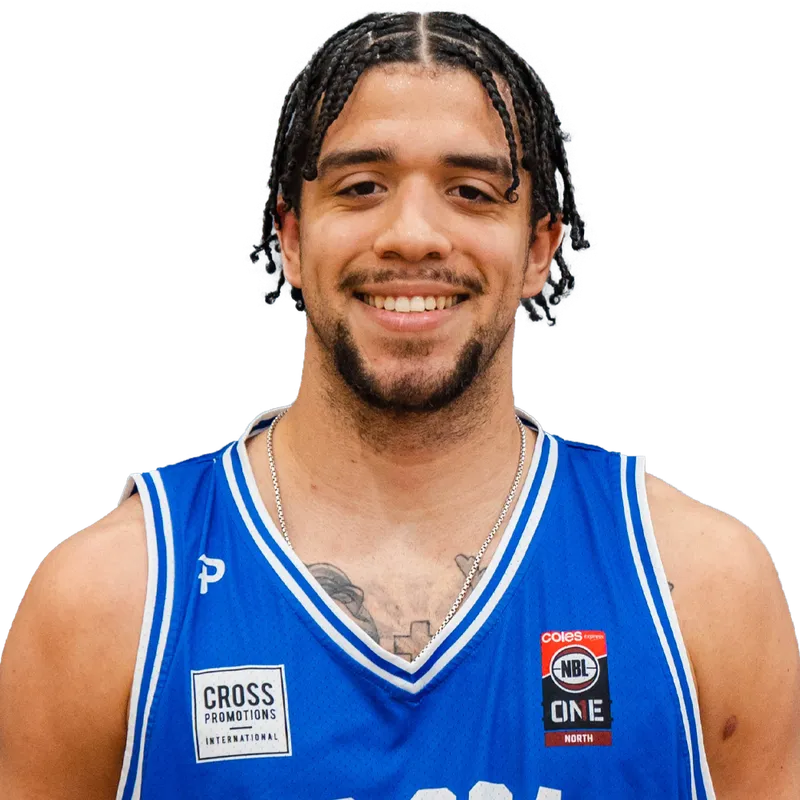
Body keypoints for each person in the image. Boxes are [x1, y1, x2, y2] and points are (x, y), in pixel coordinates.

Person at [1, 7, 797, 800]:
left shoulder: (701, 587)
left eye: (471, 191)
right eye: (362, 187)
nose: (413, 234)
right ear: (291, 239)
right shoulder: (109, 600)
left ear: (538, 248)